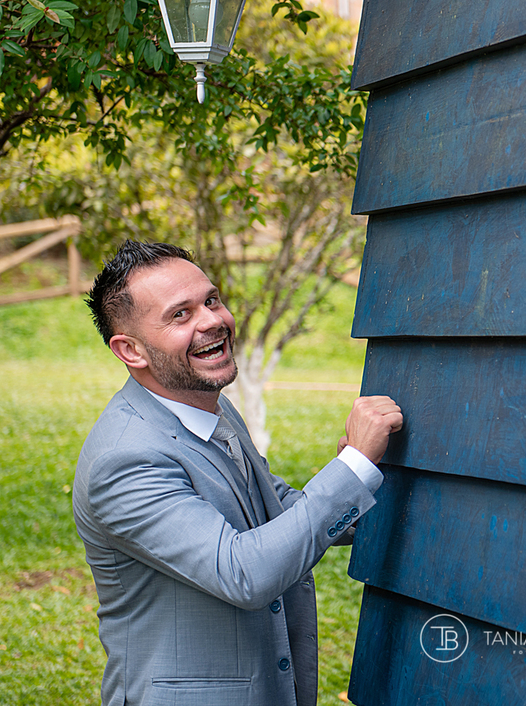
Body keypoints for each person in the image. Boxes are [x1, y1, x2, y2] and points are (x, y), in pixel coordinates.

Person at [72, 240, 402, 706]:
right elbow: (244, 572)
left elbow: (271, 507)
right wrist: (352, 469)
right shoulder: (124, 460)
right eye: (179, 315)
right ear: (131, 350)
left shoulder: (212, 406)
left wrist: (358, 479)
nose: (213, 320)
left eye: (211, 299)